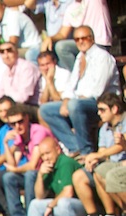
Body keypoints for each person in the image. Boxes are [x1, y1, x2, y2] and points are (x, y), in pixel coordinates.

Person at [38, 26, 117, 157]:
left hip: (101, 102)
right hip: (80, 101)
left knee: (74, 105)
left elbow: (98, 90)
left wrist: (72, 101)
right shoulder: (80, 57)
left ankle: (86, 150)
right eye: (77, 39)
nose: (80, 41)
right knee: (46, 110)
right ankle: (75, 146)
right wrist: (66, 100)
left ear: (92, 39)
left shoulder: (102, 57)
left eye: (84, 38)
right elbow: (72, 83)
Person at [72, 92, 126, 216]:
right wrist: (93, 159)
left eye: (102, 110)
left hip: (122, 163)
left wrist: (97, 155)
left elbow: (120, 146)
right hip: (111, 163)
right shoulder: (104, 129)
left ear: (114, 109)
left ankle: (121, 211)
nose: (99, 113)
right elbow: (103, 152)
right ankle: (103, 215)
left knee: (109, 175)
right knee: (82, 175)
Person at [1, 106, 52, 216]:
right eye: (13, 124)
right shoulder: (19, 136)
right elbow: (12, 164)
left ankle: (31, 215)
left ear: (27, 118)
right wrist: (5, 143)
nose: (17, 126)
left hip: (50, 170)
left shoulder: (38, 132)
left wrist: (15, 169)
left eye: (20, 122)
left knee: (30, 174)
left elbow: (33, 165)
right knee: (8, 177)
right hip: (37, 173)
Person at [26, 135, 85, 216]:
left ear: (57, 150)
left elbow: (68, 193)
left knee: (63, 203)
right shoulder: (49, 166)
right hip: (62, 206)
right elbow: (40, 196)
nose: (45, 158)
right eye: (42, 155)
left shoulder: (65, 162)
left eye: (48, 153)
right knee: (34, 204)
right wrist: (40, 175)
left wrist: (51, 205)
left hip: (82, 205)